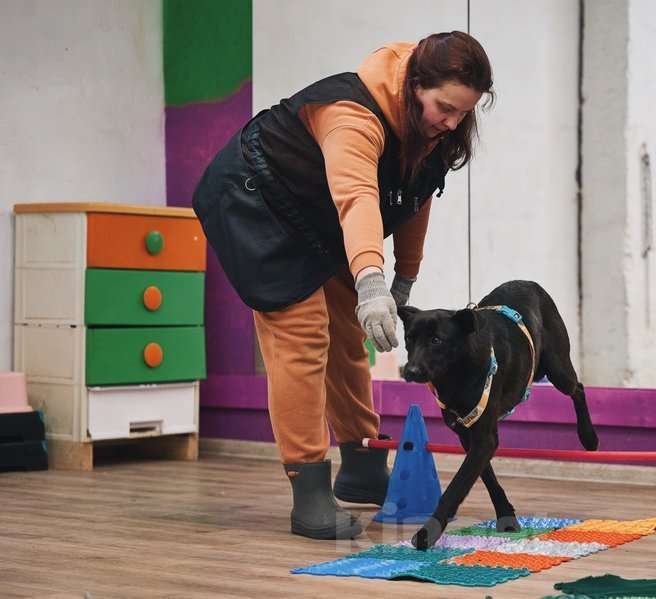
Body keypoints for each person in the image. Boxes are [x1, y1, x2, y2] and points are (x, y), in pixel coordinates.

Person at [192, 31, 494, 540]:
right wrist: (370, 280)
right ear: (415, 84)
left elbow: (415, 196)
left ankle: (362, 462)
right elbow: (357, 197)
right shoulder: (349, 113)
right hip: (254, 206)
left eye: (463, 113)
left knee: (349, 336)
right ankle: (308, 488)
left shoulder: (432, 127)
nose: (452, 121)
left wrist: (404, 276)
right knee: (302, 338)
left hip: (316, 219)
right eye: (445, 107)